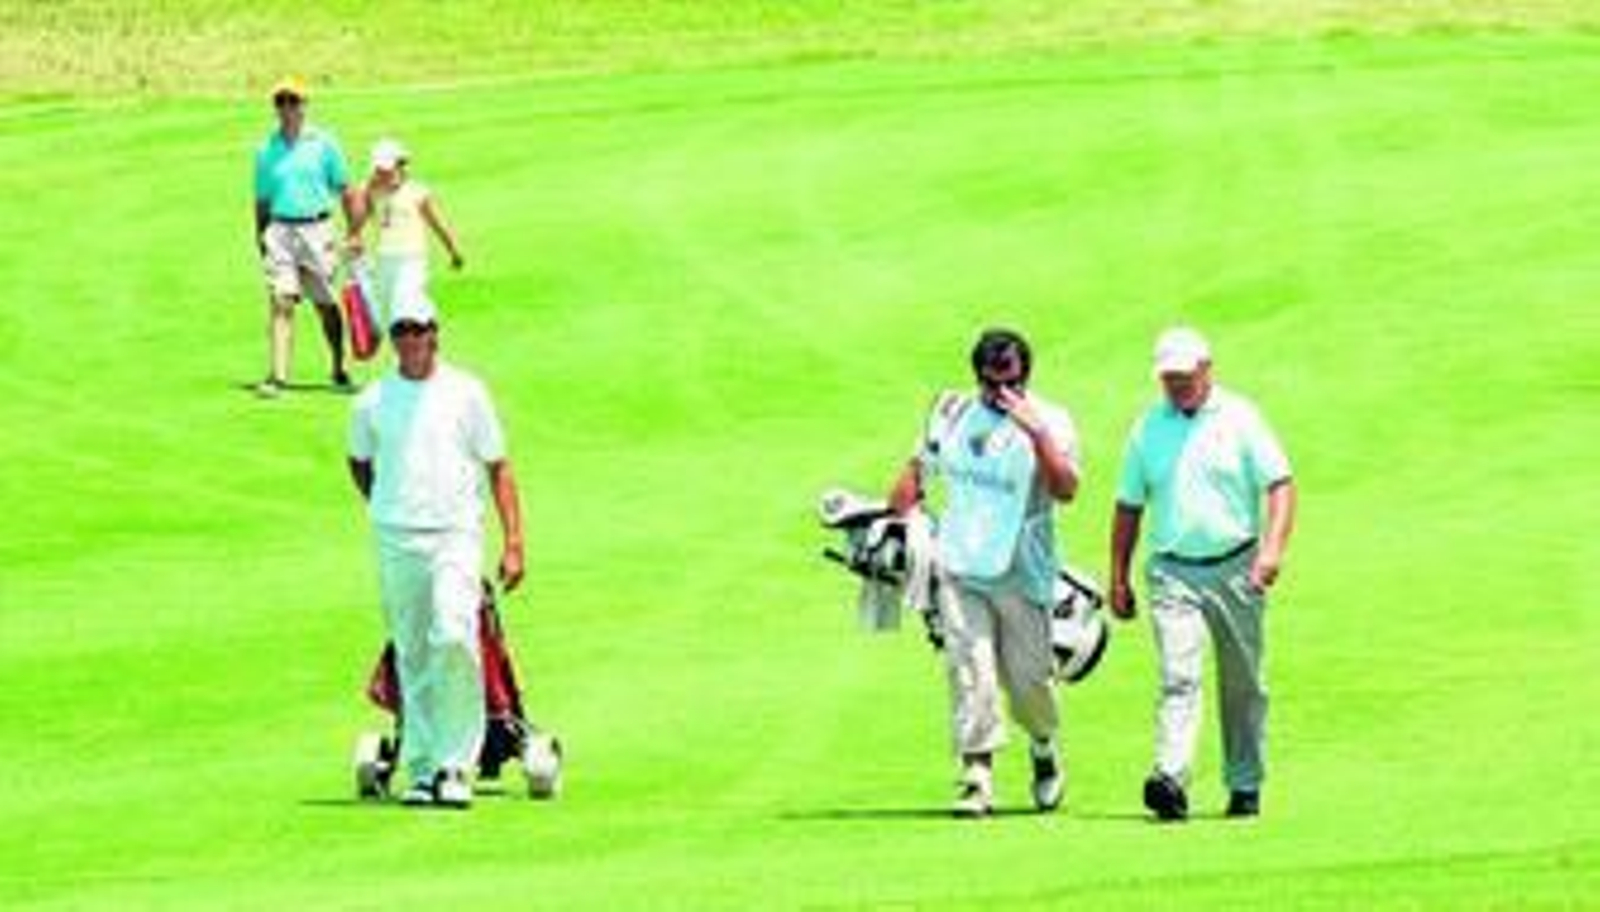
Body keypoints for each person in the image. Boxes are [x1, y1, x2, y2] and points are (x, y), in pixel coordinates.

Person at [888, 328, 1082, 817]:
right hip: (961, 566)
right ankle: (977, 777)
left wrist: (1036, 434)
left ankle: (1043, 746)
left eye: (1011, 383)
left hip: (1022, 571)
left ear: (1026, 376)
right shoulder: (953, 414)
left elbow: (1066, 490)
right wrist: (892, 523)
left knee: (1029, 683)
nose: (1001, 395)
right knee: (970, 669)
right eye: (992, 385)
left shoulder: (1053, 420)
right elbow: (917, 472)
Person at [1108, 326, 1297, 822]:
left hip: (1238, 567)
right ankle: (1170, 777)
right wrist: (1118, 576)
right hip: (1173, 573)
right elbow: (1128, 505)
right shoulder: (1147, 428)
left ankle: (1245, 782)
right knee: (1179, 676)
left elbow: (1280, 484)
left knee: (1243, 683)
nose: (1176, 386)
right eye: (1169, 378)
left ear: (1206, 369)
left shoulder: (1241, 417)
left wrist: (1272, 551)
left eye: (1184, 376)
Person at [347, 295, 525, 809]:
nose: (411, 340)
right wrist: (389, 504)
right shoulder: (373, 401)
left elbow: (499, 466)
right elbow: (360, 464)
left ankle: (455, 763)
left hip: (455, 532)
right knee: (412, 649)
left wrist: (513, 541)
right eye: (401, 331)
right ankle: (422, 767)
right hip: (398, 536)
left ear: (435, 334)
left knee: (453, 634)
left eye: (419, 330)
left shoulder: (466, 393)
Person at [251, 75, 361, 398]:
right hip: (280, 230)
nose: (287, 108)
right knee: (281, 301)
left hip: (317, 229)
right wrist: (262, 237)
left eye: (293, 101)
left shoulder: (324, 143)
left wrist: (354, 232)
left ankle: (339, 368)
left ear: (304, 105)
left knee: (326, 305)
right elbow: (261, 200)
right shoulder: (266, 150)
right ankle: (278, 377)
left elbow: (346, 189)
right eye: (281, 102)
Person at [346, 137, 464, 328]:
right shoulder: (372, 191)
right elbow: (359, 220)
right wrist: (353, 237)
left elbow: (438, 223)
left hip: (412, 258)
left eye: (388, 170)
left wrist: (453, 250)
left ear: (401, 166)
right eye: (379, 170)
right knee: (390, 310)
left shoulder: (418, 192)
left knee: (404, 304)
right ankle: (413, 343)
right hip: (385, 259)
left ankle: (426, 330)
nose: (383, 175)